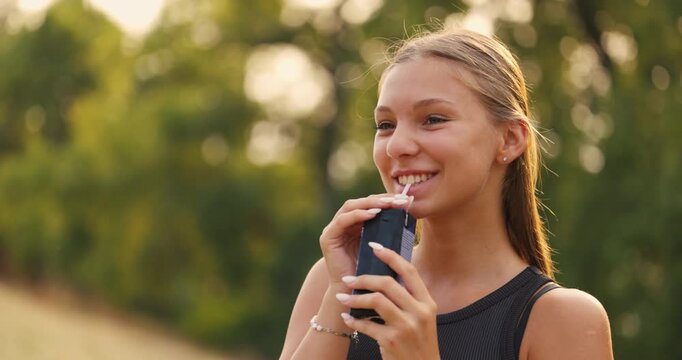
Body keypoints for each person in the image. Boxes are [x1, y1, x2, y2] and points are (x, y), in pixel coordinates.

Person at [279, 28, 613, 360]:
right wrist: (339, 297)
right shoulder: (334, 279)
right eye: (385, 125)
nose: (397, 146)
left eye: (433, 119)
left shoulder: (562, 319)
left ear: (509, 139)